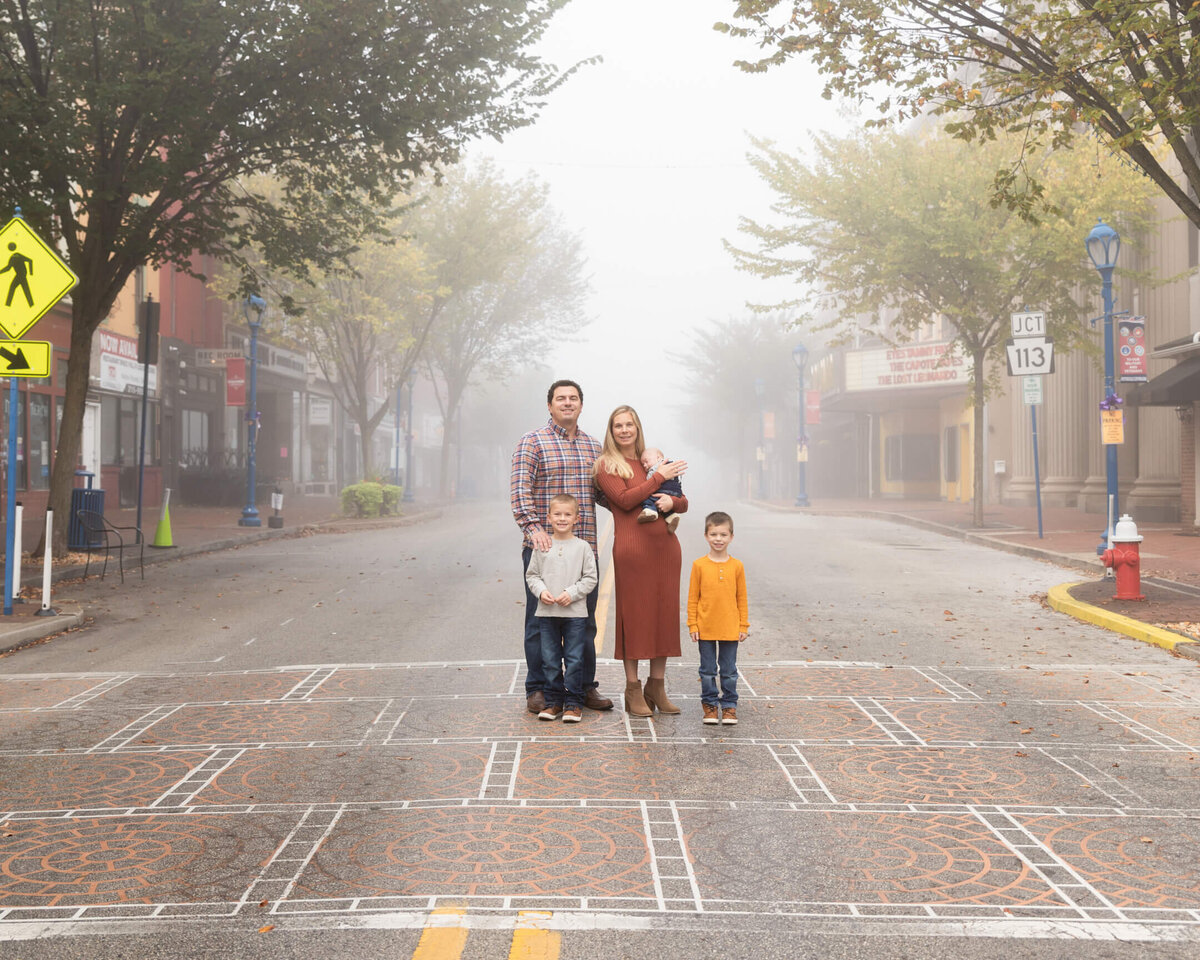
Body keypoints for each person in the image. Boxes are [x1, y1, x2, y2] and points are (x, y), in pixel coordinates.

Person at [511, 380, 613, 715]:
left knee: (584, 623)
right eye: (560, 399)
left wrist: (648, 497)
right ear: (550, 405)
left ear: (581, 405)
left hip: (584, 551)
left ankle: (583, 688)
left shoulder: (593, 447)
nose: (567, 403)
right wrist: (533, 528)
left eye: (573, 398)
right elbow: (520, 490)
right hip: (544, 550)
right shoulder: (532, 442)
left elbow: (605, 494)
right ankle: (539, 689)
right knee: (541, 624)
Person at [592, 405, 688, 717]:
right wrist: (658, 477)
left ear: (637, 428)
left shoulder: (652, 460)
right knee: (634, 617)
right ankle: (633, 688)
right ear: (611, 430)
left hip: (666, 550)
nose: (624, 430)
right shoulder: (607, 465)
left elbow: (682, 500)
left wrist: (672, 500)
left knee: (663, 615)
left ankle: (656, 686)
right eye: (617, 425)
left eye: (629, 424)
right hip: (632, 551)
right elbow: (624, 500)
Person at [525, 494, 599, 723]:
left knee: (575, 659)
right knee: (550, 660)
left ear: (577, 518)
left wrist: (572, 593)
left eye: (568, 514)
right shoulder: (542, 545)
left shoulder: (583, 547)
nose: (562, 518)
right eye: (557, 514)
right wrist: (541, 592)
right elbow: (532, 576)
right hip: (547, 614)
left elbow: (590, 578)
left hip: (575, 615)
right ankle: (553, 701)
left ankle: (574, 703)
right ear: (548, 517)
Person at [687, 511, 749, 725]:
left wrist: (743, 625)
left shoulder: (737, 566)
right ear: (706, 535)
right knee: (707, 670)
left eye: (723, 534)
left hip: (730, 628)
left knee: (729, 670)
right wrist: (692, 624)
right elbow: (693, 598)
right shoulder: (699, 565)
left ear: (731, 537)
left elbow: (742, 598)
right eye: (714, 534)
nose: (718, 539)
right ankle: (710, 705)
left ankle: (730, 706)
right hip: (705, 628)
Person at [637, 446, 684, 533]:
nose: (645, 465)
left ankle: (650, 512)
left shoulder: (659, 466)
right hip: (676, 492)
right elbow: (679, 478)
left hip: (664, 490)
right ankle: (672, 517)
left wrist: (649, 480)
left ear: (658, 458)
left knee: (648, 498)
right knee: (664, 506)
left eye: (646, 462)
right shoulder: (672, 465)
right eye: (643, 464)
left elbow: (651, 482)